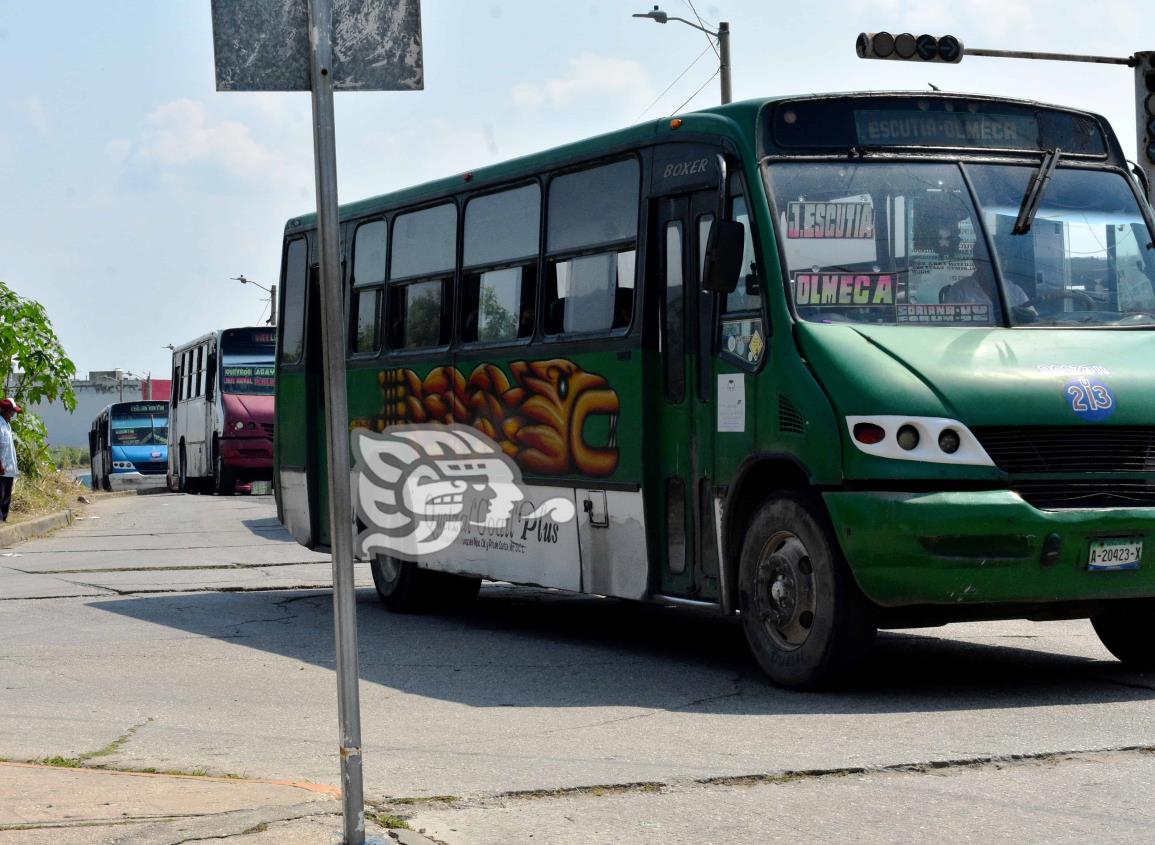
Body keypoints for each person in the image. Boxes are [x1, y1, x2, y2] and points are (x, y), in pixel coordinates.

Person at [0, 398, 22, 522]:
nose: (12, 416)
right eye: (11, 413)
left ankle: (3, 519)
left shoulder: (7, 425)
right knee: (0, 495)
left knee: (6, 497)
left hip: (8, 468)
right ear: (5, 411)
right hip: (1, 468)